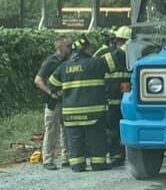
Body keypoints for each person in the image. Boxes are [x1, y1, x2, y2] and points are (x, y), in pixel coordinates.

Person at [48, 34, 121, 172]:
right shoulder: (95, 63)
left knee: (75, 140)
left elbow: (51, 84)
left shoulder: (64, 66)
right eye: (90, 47)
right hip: (93, 113)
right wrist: (119, 46)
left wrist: (60, 94)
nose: (92, 50)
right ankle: (98, 163)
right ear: (85, 49)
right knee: (96, 138)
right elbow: (115, 61)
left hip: (71, 115)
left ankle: (77, 165)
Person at [33, 36, 71, 170]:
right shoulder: (50, 62)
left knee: (66, 130)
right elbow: (38, 80)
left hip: (66, 101)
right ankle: (48, 159)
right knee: (51, 131)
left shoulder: (69, 60)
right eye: (68, 46)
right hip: (53, 102)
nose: (70, 48)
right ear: (60, 47)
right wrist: (50, 92)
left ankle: (66, 158)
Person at [102, 26, 132, 166]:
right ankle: (122, 154)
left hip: (112, 100)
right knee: (121, 128)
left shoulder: (111, 56)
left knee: (113, 129)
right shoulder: (134, 57)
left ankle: (116, 155)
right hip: (127, 100)